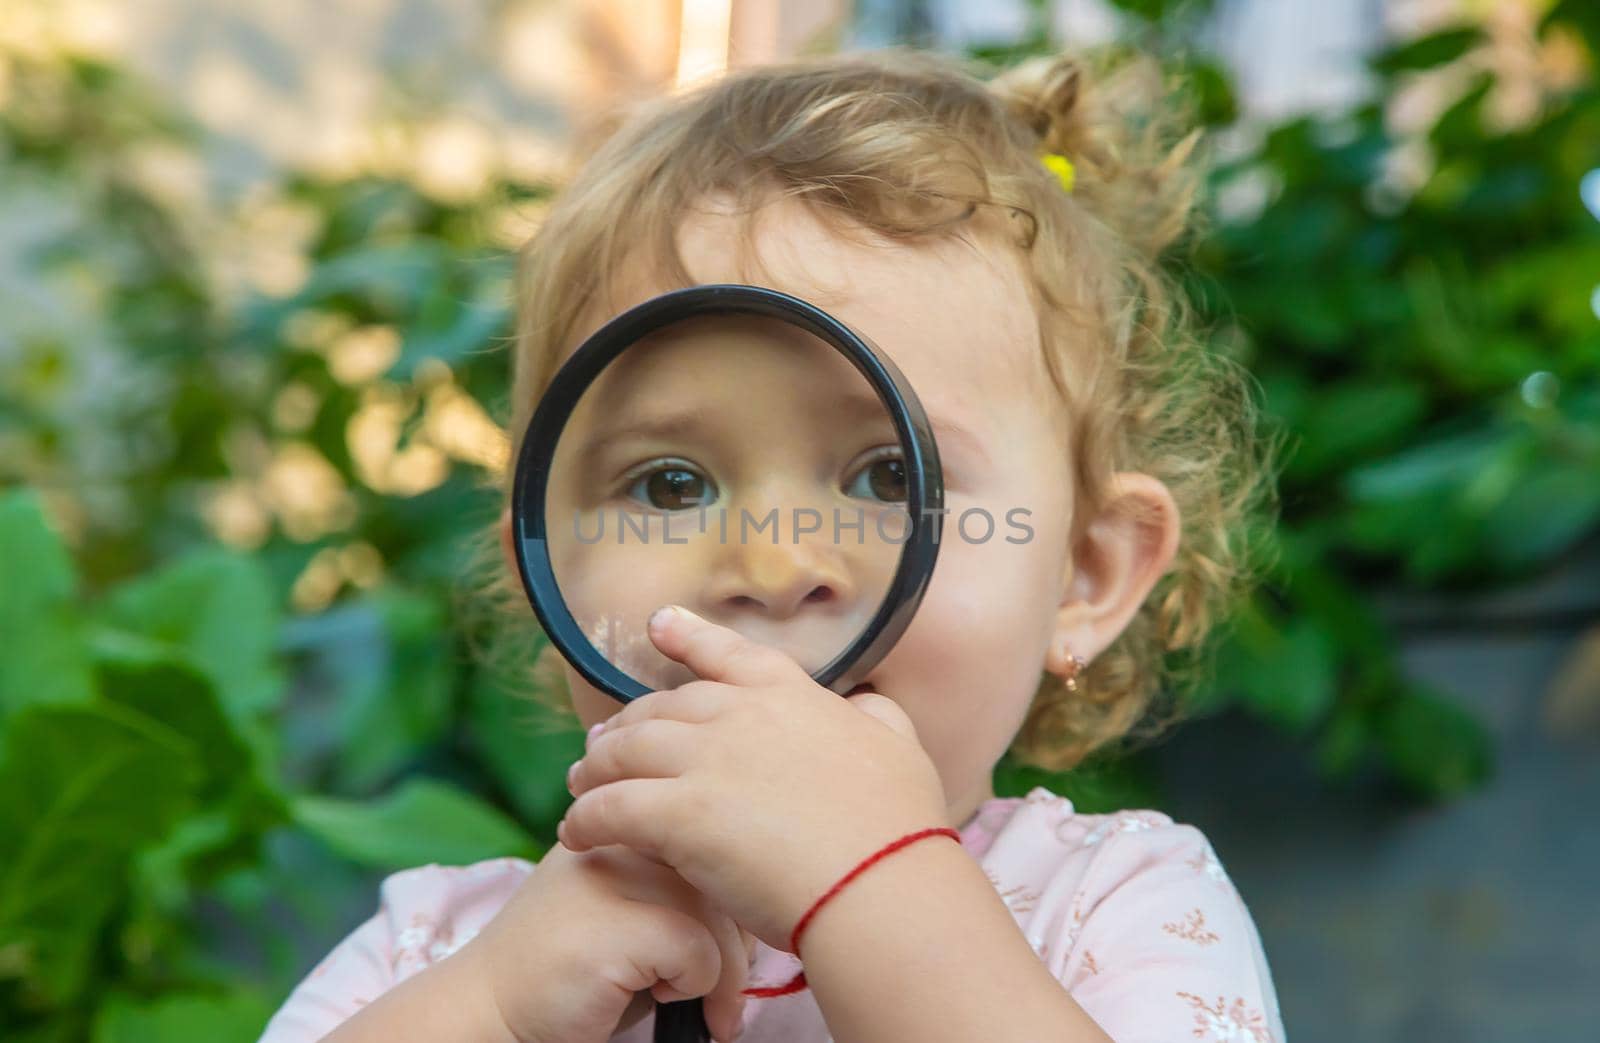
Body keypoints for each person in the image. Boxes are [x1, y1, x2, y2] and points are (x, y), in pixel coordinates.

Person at [261, 46, 1285, 1043]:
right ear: (548, 580)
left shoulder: (1113, 905)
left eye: (888, 476)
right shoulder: (442, 951)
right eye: (669, 483)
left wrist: (874, 883)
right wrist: (490, 1010)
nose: (774, 564)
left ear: (1085, 574)